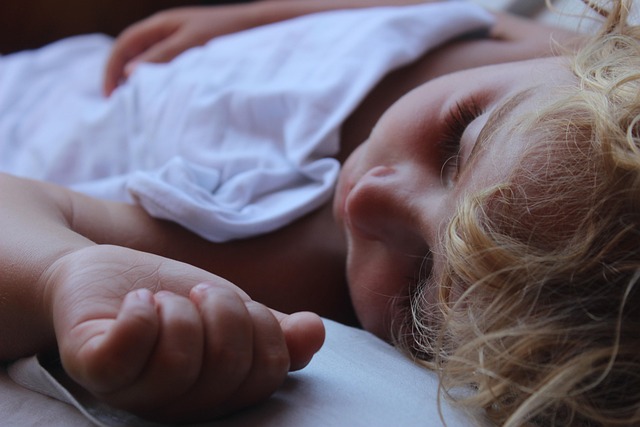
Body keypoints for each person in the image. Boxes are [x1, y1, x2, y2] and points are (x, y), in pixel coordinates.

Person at [0, 1, 638, 426]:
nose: (369, 200)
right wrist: (256, 18)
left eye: (419, 277)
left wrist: (58, 273)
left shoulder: (281, 257)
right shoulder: (557, 56)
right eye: (457, 142)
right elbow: (445, 17)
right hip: (89, 61)